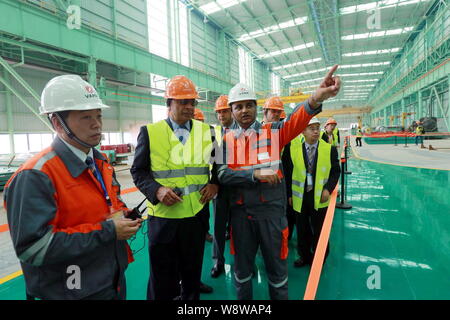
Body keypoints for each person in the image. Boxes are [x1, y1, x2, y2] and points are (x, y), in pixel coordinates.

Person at [3, 75, 140, 300]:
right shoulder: (35, 176)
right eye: (86, 117)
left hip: (110, 280)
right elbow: (34, 248)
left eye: (98, 115)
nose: (97, 124)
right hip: (68, 292)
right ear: (57, 122)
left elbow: (105, 206)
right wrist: (109, 231)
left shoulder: (100, 162)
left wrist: (123, 216)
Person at [218, 65, 341, 300]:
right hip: (241, 216)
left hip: (271, 216)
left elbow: (297, 120)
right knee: (242, 273)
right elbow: (223, 175)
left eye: (249, 105)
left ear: (256, 108)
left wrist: (317, 96)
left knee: (277, 272)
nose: (244, 110)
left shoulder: (273, 133)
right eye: (238, 106)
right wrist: (254, 174)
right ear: (232, 111)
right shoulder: (225, 141)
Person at [130, 75, 218, 300]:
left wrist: (215, 183)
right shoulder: (150, 132)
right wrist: (157, 191)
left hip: (195, 217)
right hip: (164, 219)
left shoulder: (207, 131)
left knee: (191, 278)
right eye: (183, 102)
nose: (189, 107)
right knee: (162, 281)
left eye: (192, 102)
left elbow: (220, 163)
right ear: (168, 103)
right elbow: (138, 172)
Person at [284, 117, 340, 268]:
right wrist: (289, 194)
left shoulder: (329, 149)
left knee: (320, 230)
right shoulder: (293, 149)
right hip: (300, 197)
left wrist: (328, 188)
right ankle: (304, 256)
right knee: (302, 230)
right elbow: (288, 174)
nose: (316, 131)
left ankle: (320, 257)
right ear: (303, 131)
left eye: (317, 127)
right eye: (311, 128)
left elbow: (335, 171)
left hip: (320, 196)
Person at [211, 95, 233, 278]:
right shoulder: (214, 134)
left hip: (240, 188)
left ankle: (243, 260)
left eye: (224, 110)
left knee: (241, 228)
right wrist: (213, 183)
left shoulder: (243, 132)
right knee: (218, 227)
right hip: (220, 189)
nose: (221, 115)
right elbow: (211, 162)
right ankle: (217, 261)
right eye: (218, 112)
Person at [193, 108, 214, 243]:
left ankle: (205, 232)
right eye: (196, 121)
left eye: (201, 121)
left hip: (203, 184)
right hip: (183, 187)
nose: (199, 124)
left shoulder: (208, 134)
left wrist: (213, 182)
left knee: (204, 212)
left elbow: (216, 159)